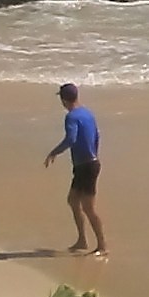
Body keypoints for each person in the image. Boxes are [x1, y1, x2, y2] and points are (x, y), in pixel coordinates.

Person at [45, 83, 101, 258]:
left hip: (86, 166)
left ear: (63, 100)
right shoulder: (87, 113)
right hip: (88, 164)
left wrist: (53, 152)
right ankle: (82, 240)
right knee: (72, 200)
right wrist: (94, 154)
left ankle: (103, 245)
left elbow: (71, 138)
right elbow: (97, 135)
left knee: (88, 208)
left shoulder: (71, 117)